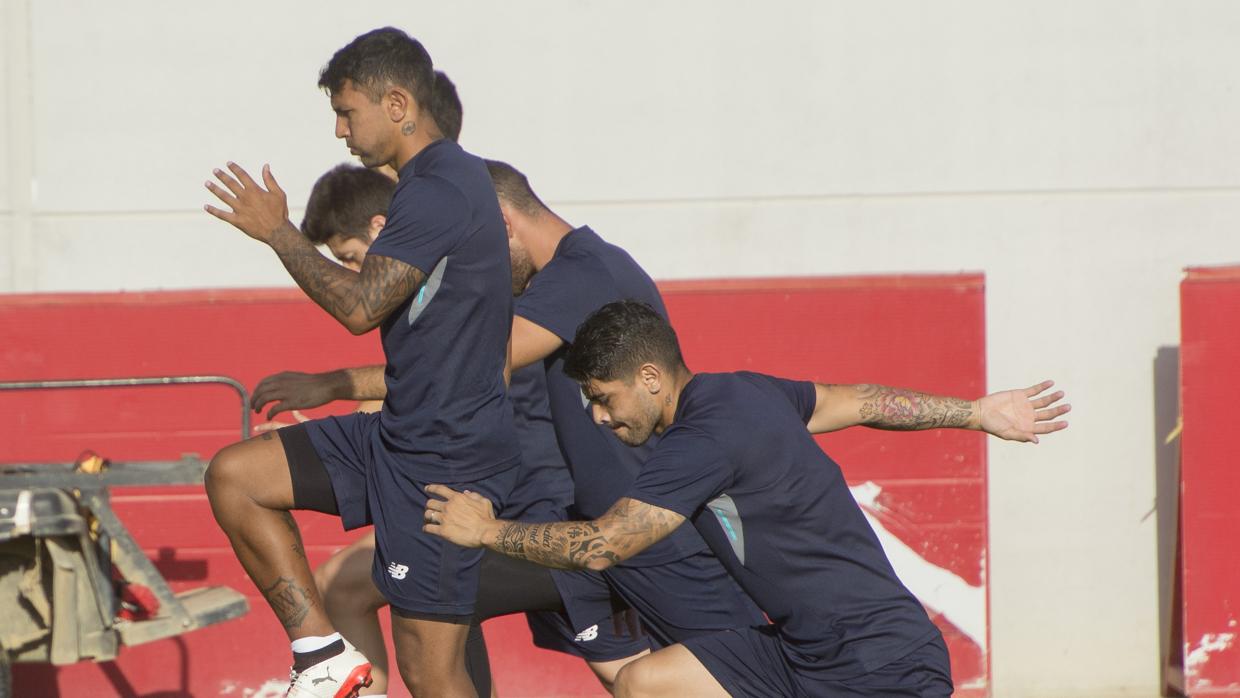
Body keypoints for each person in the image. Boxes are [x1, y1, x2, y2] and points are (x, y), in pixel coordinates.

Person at [257, 160, 773, 663]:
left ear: (500, 221)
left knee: (706, 673)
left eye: (475, 245)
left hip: (614, 529)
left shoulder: (577, 277)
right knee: (433, 601)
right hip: (570, 526)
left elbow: (466, 368)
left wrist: (336, 386)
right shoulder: (552, 287)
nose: (469, 264)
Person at [424, 299, 1072, 697]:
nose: (597, 416)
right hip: (799, 654)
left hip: (877, 663)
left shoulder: (698, 442)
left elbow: (603, 544)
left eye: (603, 397)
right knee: (645, 683)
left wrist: (486, 531)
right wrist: (974, 412)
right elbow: (865, 399)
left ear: (649, 378)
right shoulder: (747, 390)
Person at [202, 27, 521, 698]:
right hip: (397, 432)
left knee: (432, 672)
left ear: (398, 103)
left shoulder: (441, 188)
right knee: (236, 476)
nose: (341, 131)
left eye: (348, 113)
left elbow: (358, 308)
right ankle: (321, 657)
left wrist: (278, 233)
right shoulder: (426, 185)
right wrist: (333, 387)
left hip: (444, 460)